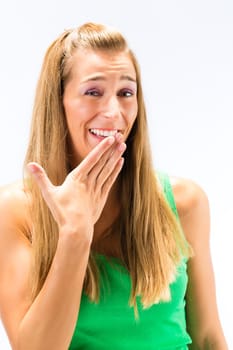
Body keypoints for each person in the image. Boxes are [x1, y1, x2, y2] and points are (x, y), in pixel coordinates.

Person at [0, 22, 228, 350]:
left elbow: (207, 339)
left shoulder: (185, 202)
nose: (113, 112)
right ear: (58, 102)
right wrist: (75, 234)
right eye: (93, 92)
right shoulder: (17, 211)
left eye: (126, 93)